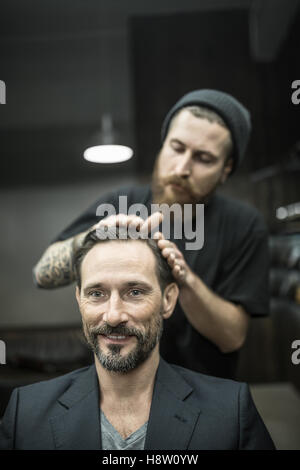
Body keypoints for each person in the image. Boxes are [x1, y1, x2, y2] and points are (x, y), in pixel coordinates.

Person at [33, 89, 270, 379]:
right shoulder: (120, 202)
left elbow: (232, 336)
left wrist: (185, 280)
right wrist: (91, 238)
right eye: (177, 147)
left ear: (225, 169)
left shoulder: (244, 225)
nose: (182, 168)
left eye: (204, 158)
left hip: (201, 397)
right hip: (110, 388)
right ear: (163, 145)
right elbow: (43, 274)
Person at [1, 228, 275, 450]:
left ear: (168, 300)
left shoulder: (230, 412)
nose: (113, 316)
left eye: (134, 292)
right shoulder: (25, 413)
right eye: (96, 293)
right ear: (79, 300)